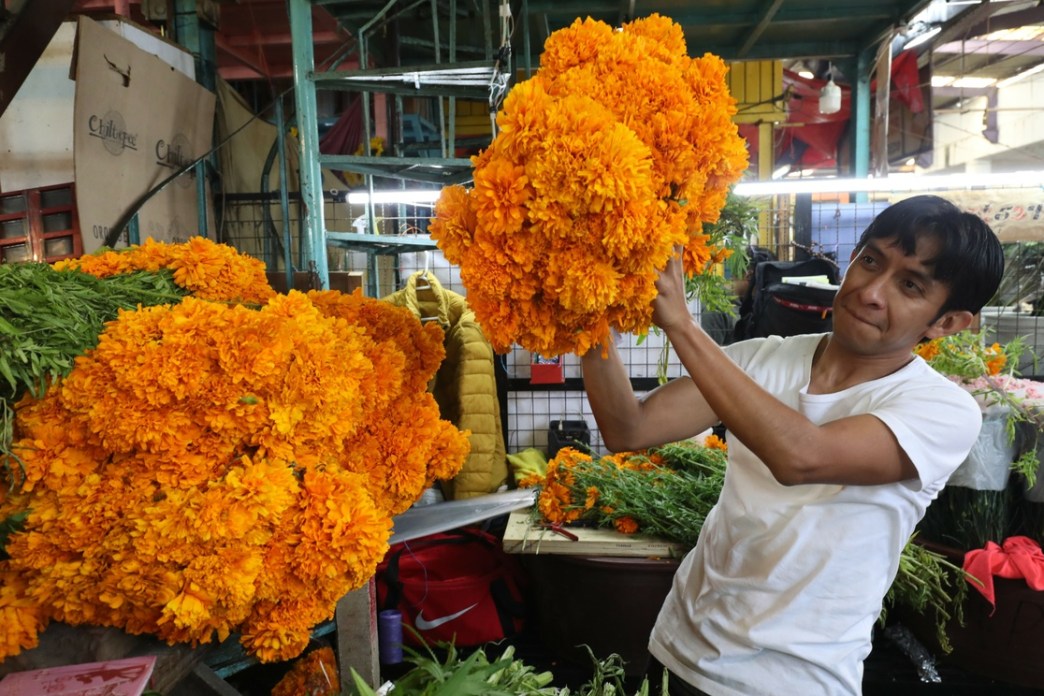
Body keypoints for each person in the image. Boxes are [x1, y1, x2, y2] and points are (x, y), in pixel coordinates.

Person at [580, 195, 1004, 696]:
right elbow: (630, 429)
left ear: (948, 322)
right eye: (870, 261)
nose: (870, 290)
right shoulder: (763, 359)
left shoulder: (942, 411)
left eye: (909, 285)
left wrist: (681, 325)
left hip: (790, 679)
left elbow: (802, 457)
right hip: (680, 647)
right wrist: (585, 314)